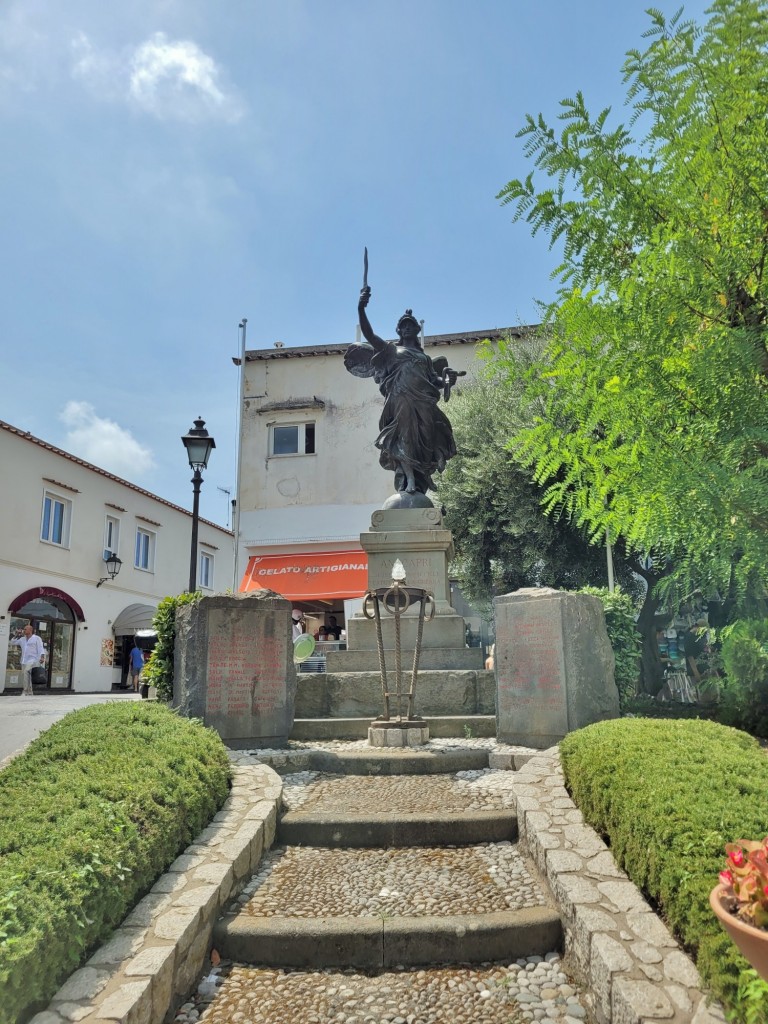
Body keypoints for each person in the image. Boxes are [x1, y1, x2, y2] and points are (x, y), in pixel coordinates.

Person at [344, 285, 464, 496]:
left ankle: (422, 476)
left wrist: (447, 379)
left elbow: (434, 380)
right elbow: (369, 334)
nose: (407, 327)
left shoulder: (424, 358)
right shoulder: (391, 351)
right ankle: (408, 478)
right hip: (401, 398)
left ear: (417, 330)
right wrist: (361, 308)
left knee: (428, 435)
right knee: (404, 437)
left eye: (411, 325)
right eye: (403, 325)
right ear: (398, 330)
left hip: (423, 402)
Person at [9, 624, 45, 695]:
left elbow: (41, 648)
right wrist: (17, 635)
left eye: (25, 629)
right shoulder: (22, 639)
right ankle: (30, 691)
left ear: (30, 630)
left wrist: (42, 657)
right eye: (24, 629)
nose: (24, 630)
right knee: (27, 676)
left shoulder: (37, 638)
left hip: (33, 660)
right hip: (24, 660)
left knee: (26, 672)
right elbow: (12, 642)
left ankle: (25, 691)